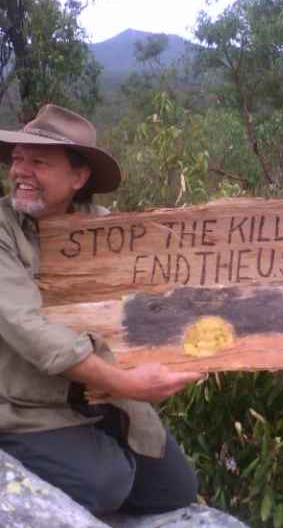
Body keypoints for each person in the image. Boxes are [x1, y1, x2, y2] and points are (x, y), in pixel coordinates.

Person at [0, 104, 202, 516]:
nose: (21, 170)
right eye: (17, 158)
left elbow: (158, 294)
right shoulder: (4, 230)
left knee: (176, 490)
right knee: (107, 486)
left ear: (79, 177)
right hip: (22, 405)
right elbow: (26, 325)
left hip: (101, 398)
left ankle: (94, 447)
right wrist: (125, 382)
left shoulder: (105, 231)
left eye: (39, 161)